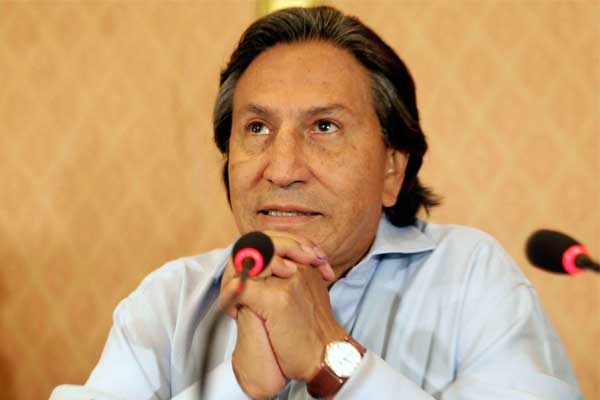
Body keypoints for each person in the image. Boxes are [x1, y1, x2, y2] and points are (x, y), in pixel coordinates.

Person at [51, 6, 582, 400]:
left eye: (324, 127)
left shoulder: (470, 277)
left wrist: (333, 361)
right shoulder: (171, 302)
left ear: (392, 168)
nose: (281, 169)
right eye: (257, 128)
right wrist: (237, 385)